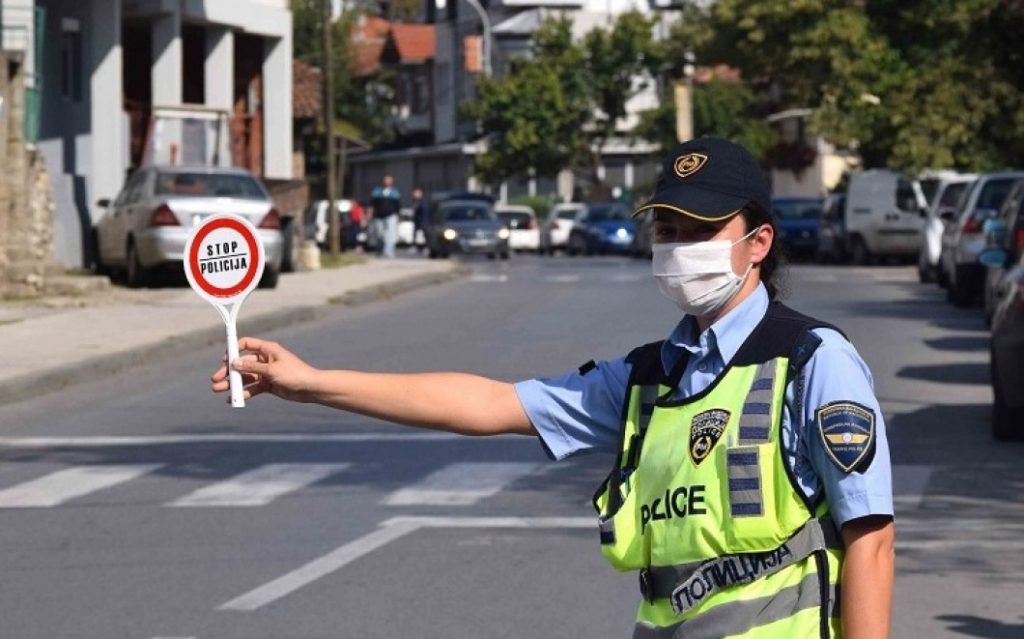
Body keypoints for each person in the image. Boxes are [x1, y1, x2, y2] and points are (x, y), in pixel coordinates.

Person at [211, 138, 894, 639]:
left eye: (703, 231)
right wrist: (312, 383)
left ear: (758, 242)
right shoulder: (651, 377)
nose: (681, 247)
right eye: (668, 230)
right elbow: (490, 403)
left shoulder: (813, 361)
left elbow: (871, 541)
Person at [369, 175, 401, 259]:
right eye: (386, 180)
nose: (387, 182)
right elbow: (372, 204)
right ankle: (379, 251)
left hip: (391, 216)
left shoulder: (395, 193)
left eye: (389, 180)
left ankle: (389, 252)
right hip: (379, 216)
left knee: (390, 234)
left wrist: (397, 216)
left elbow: (398, 206)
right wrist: (370, 214)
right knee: (380, 234)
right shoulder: (376, 192)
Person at [411, 188, 429, 253]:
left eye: (416, 193)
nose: (414, 195)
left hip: (422, 221)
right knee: (416, 234)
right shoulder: (415, 201)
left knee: (424, 234)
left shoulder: (422, 202)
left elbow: (423, 212)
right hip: (417, 220)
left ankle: (426, 247)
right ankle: (416, 247)